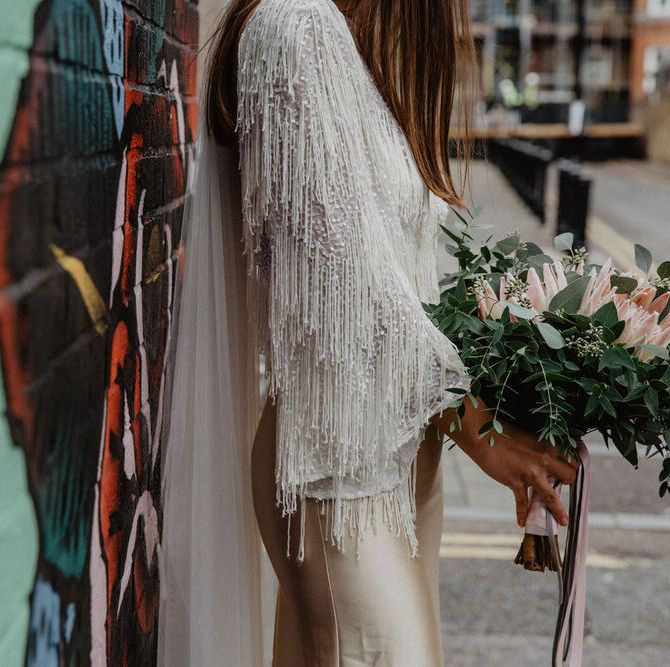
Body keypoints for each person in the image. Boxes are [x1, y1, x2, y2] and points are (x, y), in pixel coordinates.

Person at [158, 0, 579, 665]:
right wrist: (480, 428)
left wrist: (528, 383)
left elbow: (406, 283)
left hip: (406, 447)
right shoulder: (296, 27)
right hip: (337, 469)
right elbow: (346, 288)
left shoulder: (357, 53)